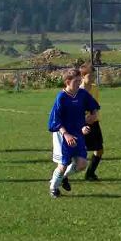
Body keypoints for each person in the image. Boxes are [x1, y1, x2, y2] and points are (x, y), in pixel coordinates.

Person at [48, 68, 99, 198]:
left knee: (82, 164)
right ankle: (53, 187)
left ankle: (63, 178)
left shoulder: (82, 94)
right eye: (76, 81)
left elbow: (93, 106)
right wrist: (66, 134)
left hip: (78, 133)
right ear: (67, 82)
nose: (79, 83)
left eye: (79, 80)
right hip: (62, 134)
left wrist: (92, 116)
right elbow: (55, 120)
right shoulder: (62, 97)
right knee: (63, 164)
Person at [80, 63, 104, 181]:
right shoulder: (78, 90)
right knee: (77, 152)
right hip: (82, 124)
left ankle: (90, 173)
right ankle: (62, 175)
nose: (93, 78)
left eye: (94, 75)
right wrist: (84, 119)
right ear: (82, 76)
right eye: (90, 76)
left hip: (94, 122)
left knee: (99, 150)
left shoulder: (95, 88)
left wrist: (94, 116)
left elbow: (96, 105)